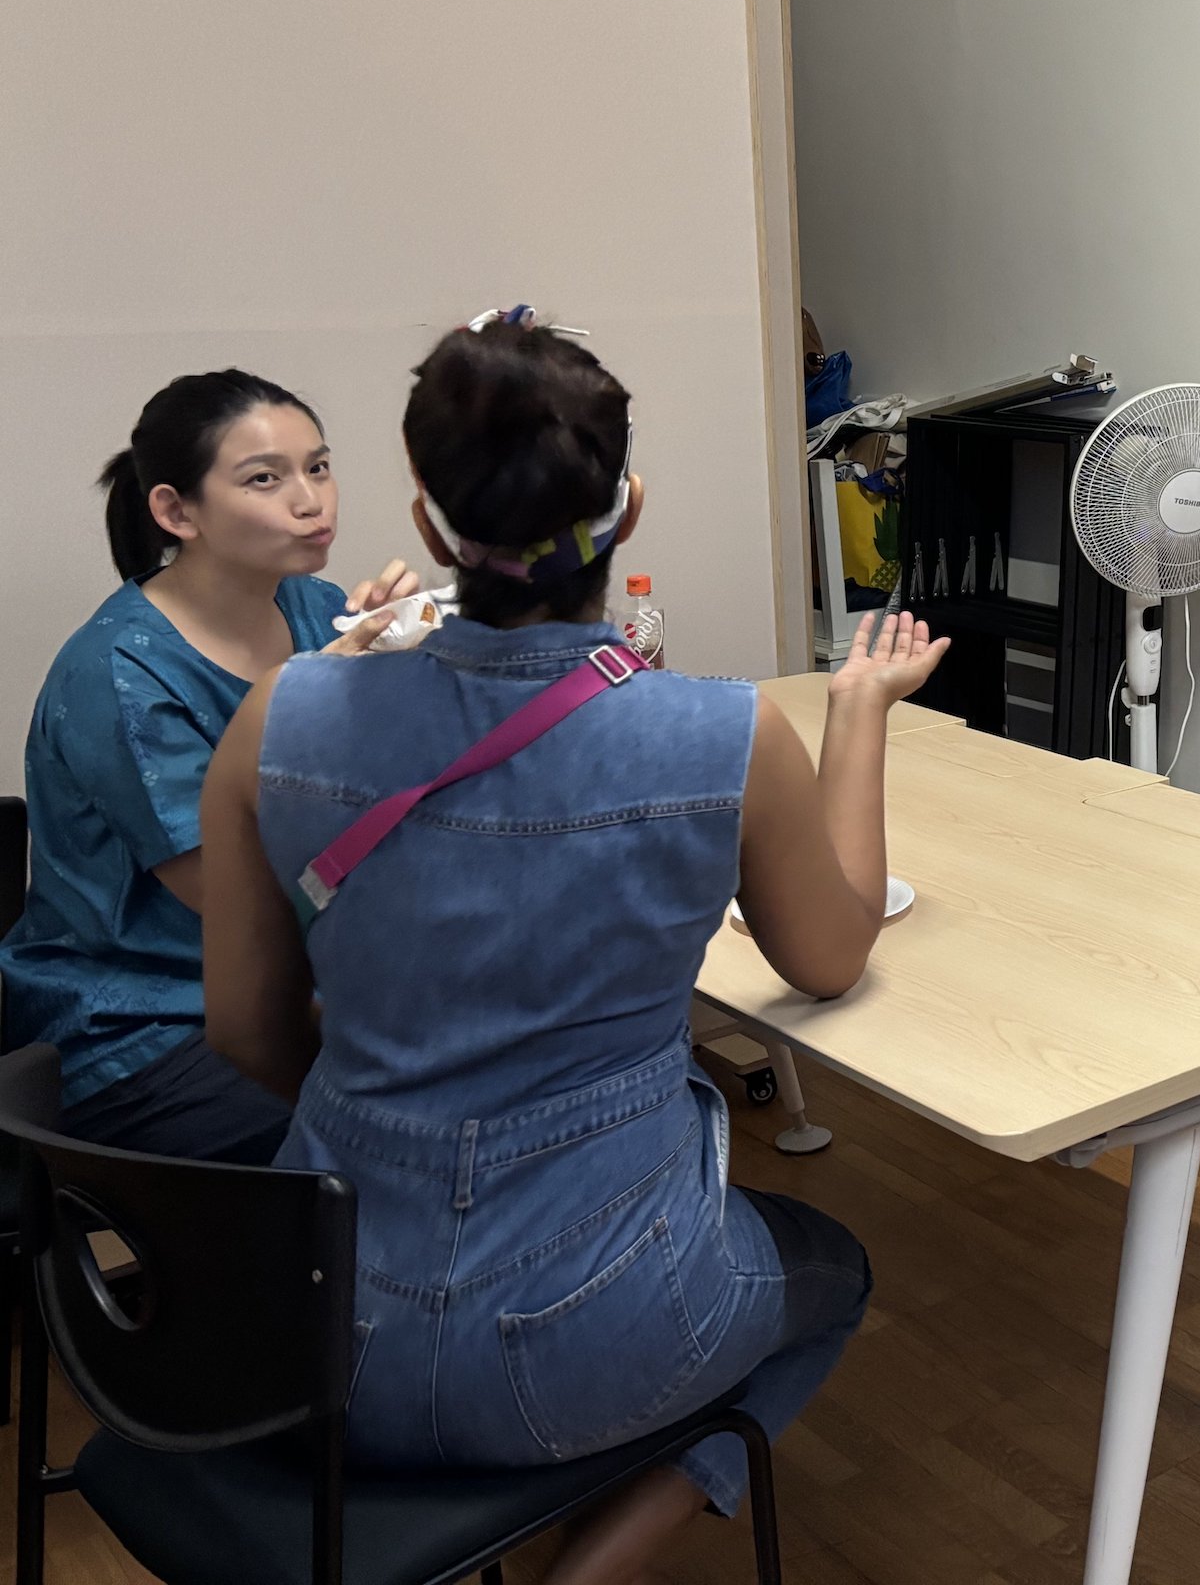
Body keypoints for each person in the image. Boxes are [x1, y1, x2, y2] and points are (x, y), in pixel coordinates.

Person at [198, 320, 947, 1585]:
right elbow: (829, 954)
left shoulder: (281, 716)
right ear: (630, 504)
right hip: (600, 1335)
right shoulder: (722, 734)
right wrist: (859, 709)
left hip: (327, 1334)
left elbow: (246, 1028)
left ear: (434, 528)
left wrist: (407, 1110)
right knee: (834, 1269)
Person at [3, 371, 419, 1163]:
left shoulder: (312, 606)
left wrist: (414, 665)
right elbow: (247, 898)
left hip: (293, 986)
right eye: (265, 478)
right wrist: (317, 705)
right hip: (140, 1029)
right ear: (173, 510)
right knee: (409, 1121)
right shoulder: (118, 676)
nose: (310, 501)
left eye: (319, 467)